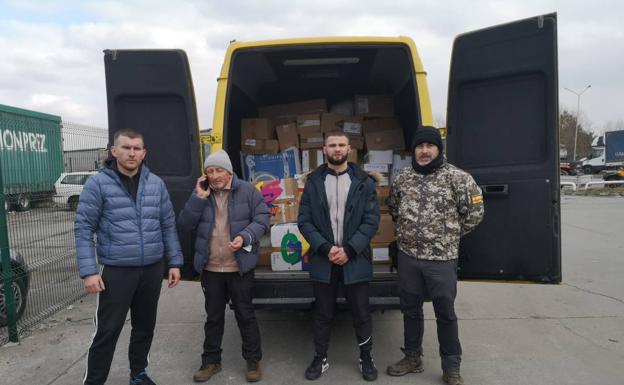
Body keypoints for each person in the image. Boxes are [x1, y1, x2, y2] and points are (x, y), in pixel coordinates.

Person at [75, 128, 183, 385]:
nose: (131, 153)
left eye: (137, 148)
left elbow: (167, 225)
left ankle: (139, 374)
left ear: (144, 153)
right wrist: (89, 271)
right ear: (114, 151)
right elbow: (83, 228)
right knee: (107, 331)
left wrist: (175, 262)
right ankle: (94, 381)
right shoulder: (97, 184)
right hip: (117, 270)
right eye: (126, 147)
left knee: (145, 327)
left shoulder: (155, 184)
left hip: (151, 269)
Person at [386, 126, 484, 385]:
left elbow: (475, 213)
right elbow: (393, 208)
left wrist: (447, 236)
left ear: (439, 149)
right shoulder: (403, 178)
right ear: (413, 151)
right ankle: (412, 357)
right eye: (419, 146)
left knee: (445, 313)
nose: (424, 151)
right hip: (408, 258)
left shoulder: (458, 178)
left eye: (430, 146)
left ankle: (451, 367)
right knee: (410, 310)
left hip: (441, 260)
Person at [177, 149, 269, 383]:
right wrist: (197, 197)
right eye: (210, 171)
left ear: (229, 171)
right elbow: (185, 224)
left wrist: (246, 236)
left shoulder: (248, 191)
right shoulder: (201, 194)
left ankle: (252, 361)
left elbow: (262, 220)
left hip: (239, 267)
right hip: (211, 268)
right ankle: (210, 362)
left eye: (219, 170)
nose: (215, 175)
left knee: (245, 315)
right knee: (214, 317)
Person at [297, 131, 380, 381]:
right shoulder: (313, 182)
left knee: (361, 313)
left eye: (341, 145)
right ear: (324, 149)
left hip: (355, 258)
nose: (337, 149)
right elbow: (304, 220)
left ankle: (366, 357)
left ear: (349, 148)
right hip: (324, 259)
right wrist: (325, 248)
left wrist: (349, 249)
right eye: (332, 145)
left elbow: (371, 220)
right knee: (323, 313)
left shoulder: (364, 181)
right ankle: (320, 357)